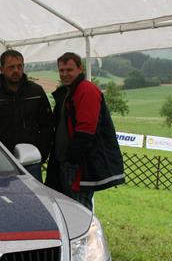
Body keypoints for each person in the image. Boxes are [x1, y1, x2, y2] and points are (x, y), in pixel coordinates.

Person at [45, 52, 124, 210]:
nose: (65, 74)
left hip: (78, 166)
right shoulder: (68, 91)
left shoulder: (86, 90)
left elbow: (86, 130)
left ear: (80, 69)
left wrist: (72, 158)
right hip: (65, 162)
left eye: (69, 70)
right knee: (67, 209)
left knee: (79, 210)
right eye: (61, 70)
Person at [0, 49, 53, 180]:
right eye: (11, 67)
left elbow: (47, 125)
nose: (16, 70)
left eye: (19, 66)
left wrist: (42, 153)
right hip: (0, 162)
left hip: (31, 161)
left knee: (34, 193)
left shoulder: (36, 92)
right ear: (2, 69)